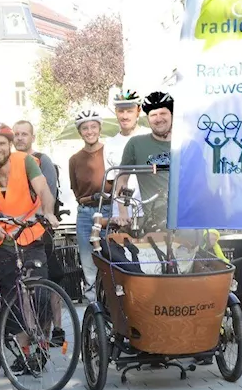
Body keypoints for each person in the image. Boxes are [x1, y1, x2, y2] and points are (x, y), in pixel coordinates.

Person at [0, 123, 59, 346]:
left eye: (1, 143)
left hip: (30, 234)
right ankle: (24, 352)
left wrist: (48, 212)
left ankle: (42, 344)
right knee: (13, 299)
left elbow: (43, 190)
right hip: (3, 241)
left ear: (9, 144)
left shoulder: (26, 161)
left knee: (40, 294)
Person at [114, 92, 174, 234]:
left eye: (163, 113)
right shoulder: (136, 144)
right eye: (153, 115)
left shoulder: (187, 143)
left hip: (186, 218)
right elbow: (122, 179)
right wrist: (123, 212)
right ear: (147, 118)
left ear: (172, 115)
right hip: (154, 221)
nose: (158, 119)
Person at [67, 110, 110, 289]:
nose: (89, 131)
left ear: (99, 129)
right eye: (85, 128)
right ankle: (93, 300)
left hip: (108, 209)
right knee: (87, 258)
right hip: (86, 212)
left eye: (93, 127)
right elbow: (75, 189)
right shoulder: (75, 159)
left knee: (110, 254)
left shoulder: (109, 152)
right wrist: (87, 199)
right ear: (80, 132)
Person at [103, 89, 143, 219]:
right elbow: (112, 182)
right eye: (121, 111)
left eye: (130, 111)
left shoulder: (149, 137)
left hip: (149, 212)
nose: (125, 116)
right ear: (116, 112)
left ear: (138, 111)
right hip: (120, 214)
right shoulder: (110, 144)